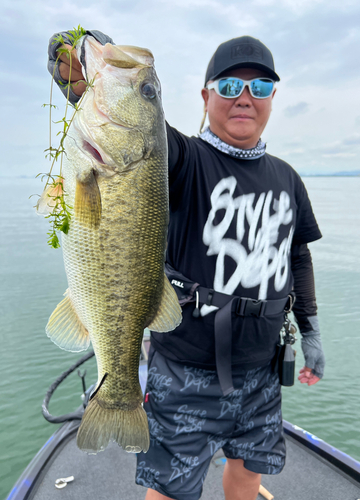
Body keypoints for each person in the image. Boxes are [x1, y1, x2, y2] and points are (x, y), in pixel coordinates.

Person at [48, 31, 325, 500]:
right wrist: (78, 78)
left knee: (247, 468)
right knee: (172, 488)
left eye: (259, 87)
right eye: (229, 85)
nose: (244, 97)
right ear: (205, 95)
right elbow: (136, 141)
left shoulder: (287, 178)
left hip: (261, 369)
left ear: (273, 99)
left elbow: (298, 253)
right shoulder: (183, 159)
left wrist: (311, 327)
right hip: (185, 370)